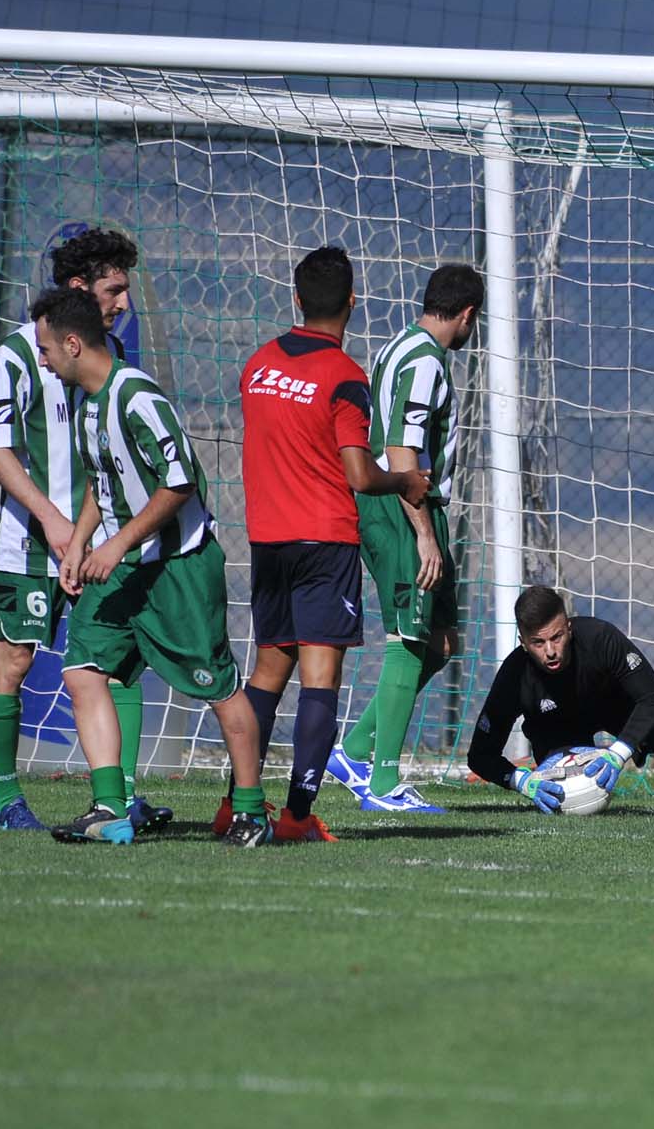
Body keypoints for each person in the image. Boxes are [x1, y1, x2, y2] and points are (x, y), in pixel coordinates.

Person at [31, 288, 272, 846]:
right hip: (121, 569)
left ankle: (251, 811)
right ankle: (110, 808)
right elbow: (103, 484)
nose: (43, 360)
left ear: (73, 344)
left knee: (217, 688)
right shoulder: (87, 404)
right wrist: (79, 545)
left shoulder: (137, 397)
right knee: (82, 670)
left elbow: (179, 481)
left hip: (177, 569)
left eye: (46, 349)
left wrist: (117, 545)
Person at [215, 245, 426, 843]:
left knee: (267, 673)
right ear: (353, 302)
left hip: (267, 538)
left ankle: (236, 804)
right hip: (324, 539)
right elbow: (359, 474)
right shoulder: (344, 377)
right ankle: (297, 816)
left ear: (297, 298)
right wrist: (406, 481)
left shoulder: (258, 365)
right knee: (320, 679)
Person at [0, 228, 172, 834]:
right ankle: (7, 799)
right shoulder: (17, 356)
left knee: (116, 660)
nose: (124, 302)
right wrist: (51, 518)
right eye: (113, 289)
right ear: (77, 288)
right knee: (12, 660)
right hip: (30, 541)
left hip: (101, 539)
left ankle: (121, 797)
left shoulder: (111, 356)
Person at [327, 262, 480, 812]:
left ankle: (353, 752)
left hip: (408, 505)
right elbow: (400, 450)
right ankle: (384, 783)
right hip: (401, 508)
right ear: (467, 315)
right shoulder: (424, 362)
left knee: (440, 642)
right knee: (408, 639)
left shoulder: (403, 346)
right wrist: (423, 534)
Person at [466, 585, 654, 820]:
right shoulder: (514, 676)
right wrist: (521, 781)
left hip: (621, 711)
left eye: (556, 637)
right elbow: (480, 755)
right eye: (538, 643)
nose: (551, 651)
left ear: (569, 627)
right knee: (567, 798)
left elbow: (653, 698)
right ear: (523, 642)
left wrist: (619, 752)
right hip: (559, 732)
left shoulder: (600, 638)